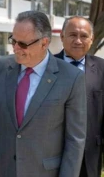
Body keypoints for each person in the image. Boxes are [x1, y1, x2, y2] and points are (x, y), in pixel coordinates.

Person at [0, 11, 87, 177]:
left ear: (44, 43)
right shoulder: (0, 67)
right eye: (13, 41)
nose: (16, 48)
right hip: (3, 170)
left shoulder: (71, 77)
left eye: (23, 44)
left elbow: (75, 140)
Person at [55, 16, 104, 177]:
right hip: (51, 154)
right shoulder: (46, 67)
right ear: (62, 37)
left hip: (90, 153)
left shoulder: (102, 68)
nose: (78, 41)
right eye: (72, 35)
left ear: (91, 39)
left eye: (83, 36)